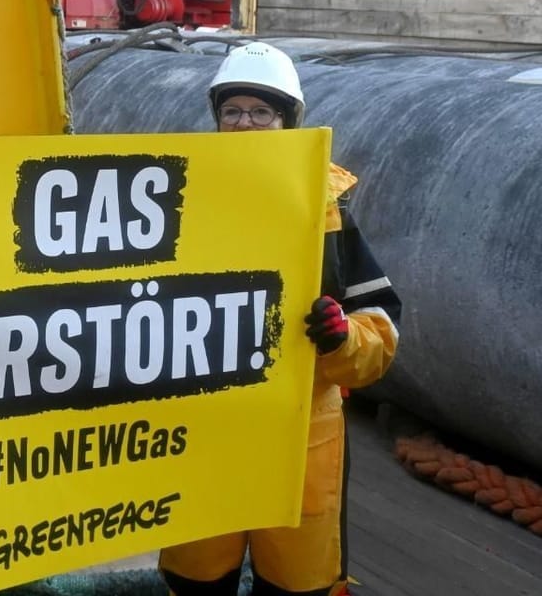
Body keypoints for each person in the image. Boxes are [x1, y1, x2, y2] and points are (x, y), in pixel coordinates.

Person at [159, 42, 402, 596]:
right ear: (217, 120)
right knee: (195, 574)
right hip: (204, 429)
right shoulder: (176, 199)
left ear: (288, 121)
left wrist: (343, 340)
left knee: (299, 582)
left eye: (261, 112)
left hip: (302, 437)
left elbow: (381, 324)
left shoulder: (330, 215)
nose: (245, 124)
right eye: (232, 111)